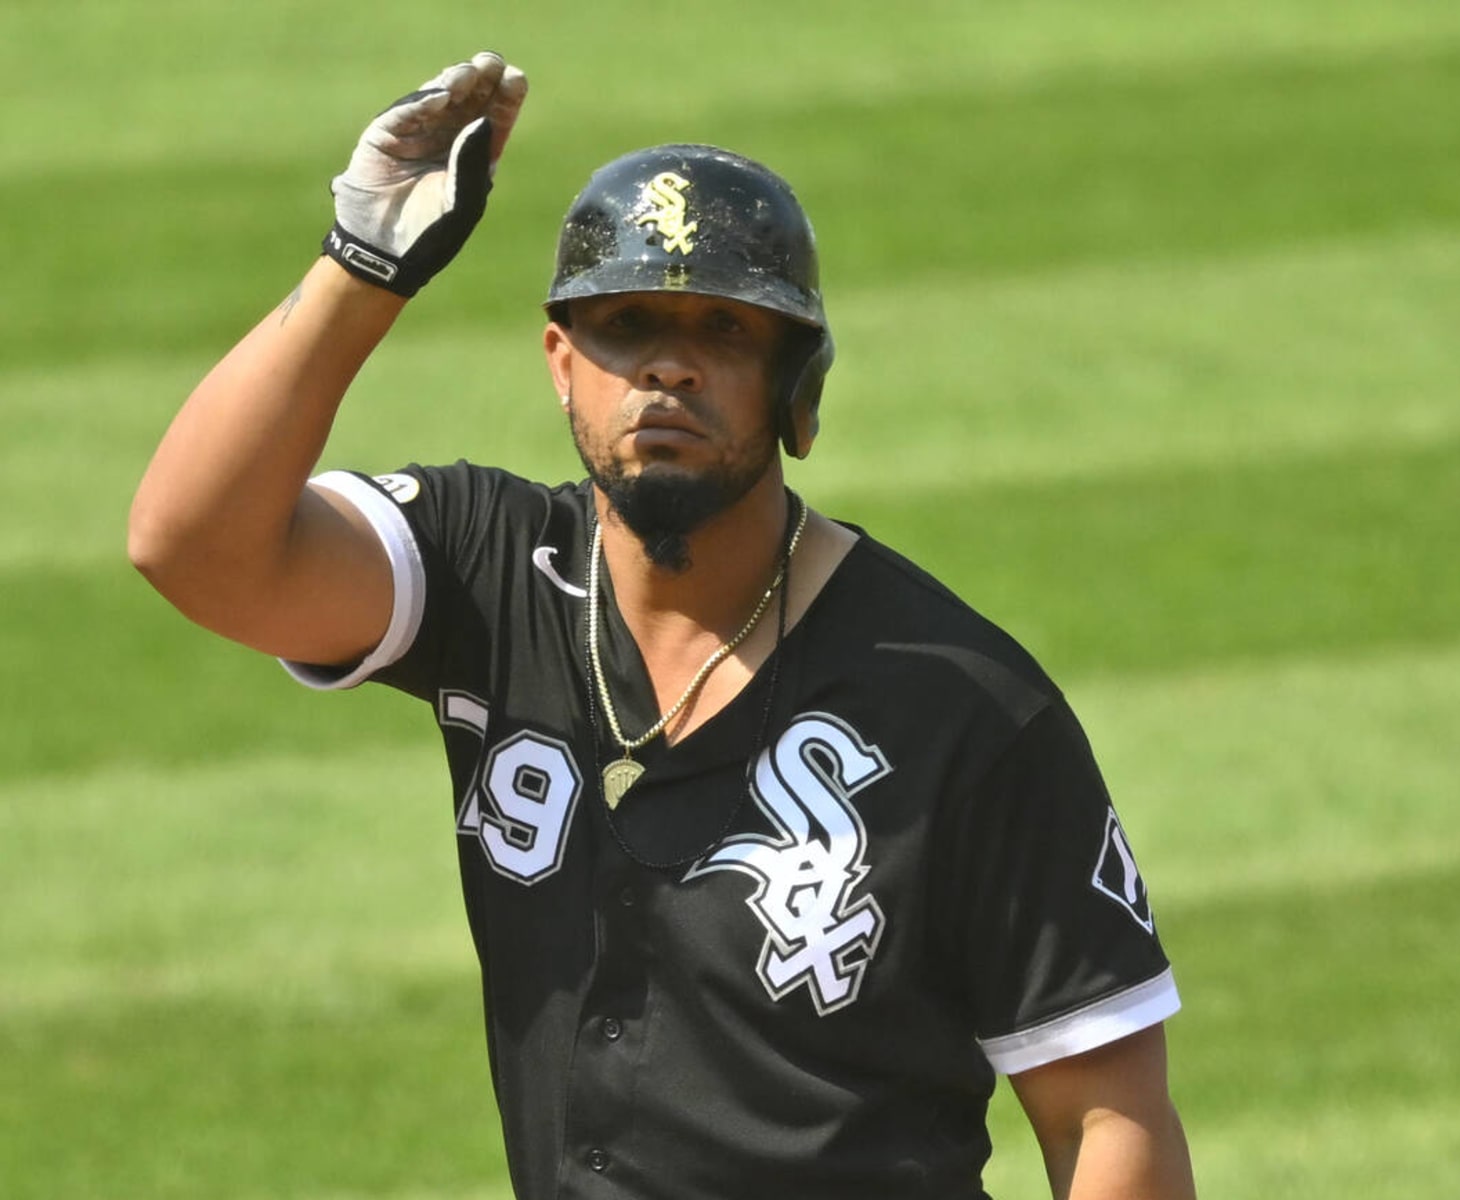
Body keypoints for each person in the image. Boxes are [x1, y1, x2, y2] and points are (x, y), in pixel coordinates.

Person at [129, 51, 1196, 1200]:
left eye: (726, 333)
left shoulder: (967, 706)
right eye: (627, 323)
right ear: (562, 363)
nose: (670, 366)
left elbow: (1105, 1117)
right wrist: (363, 267)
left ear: (799, 387)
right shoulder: (494, 571)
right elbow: (194, 549)